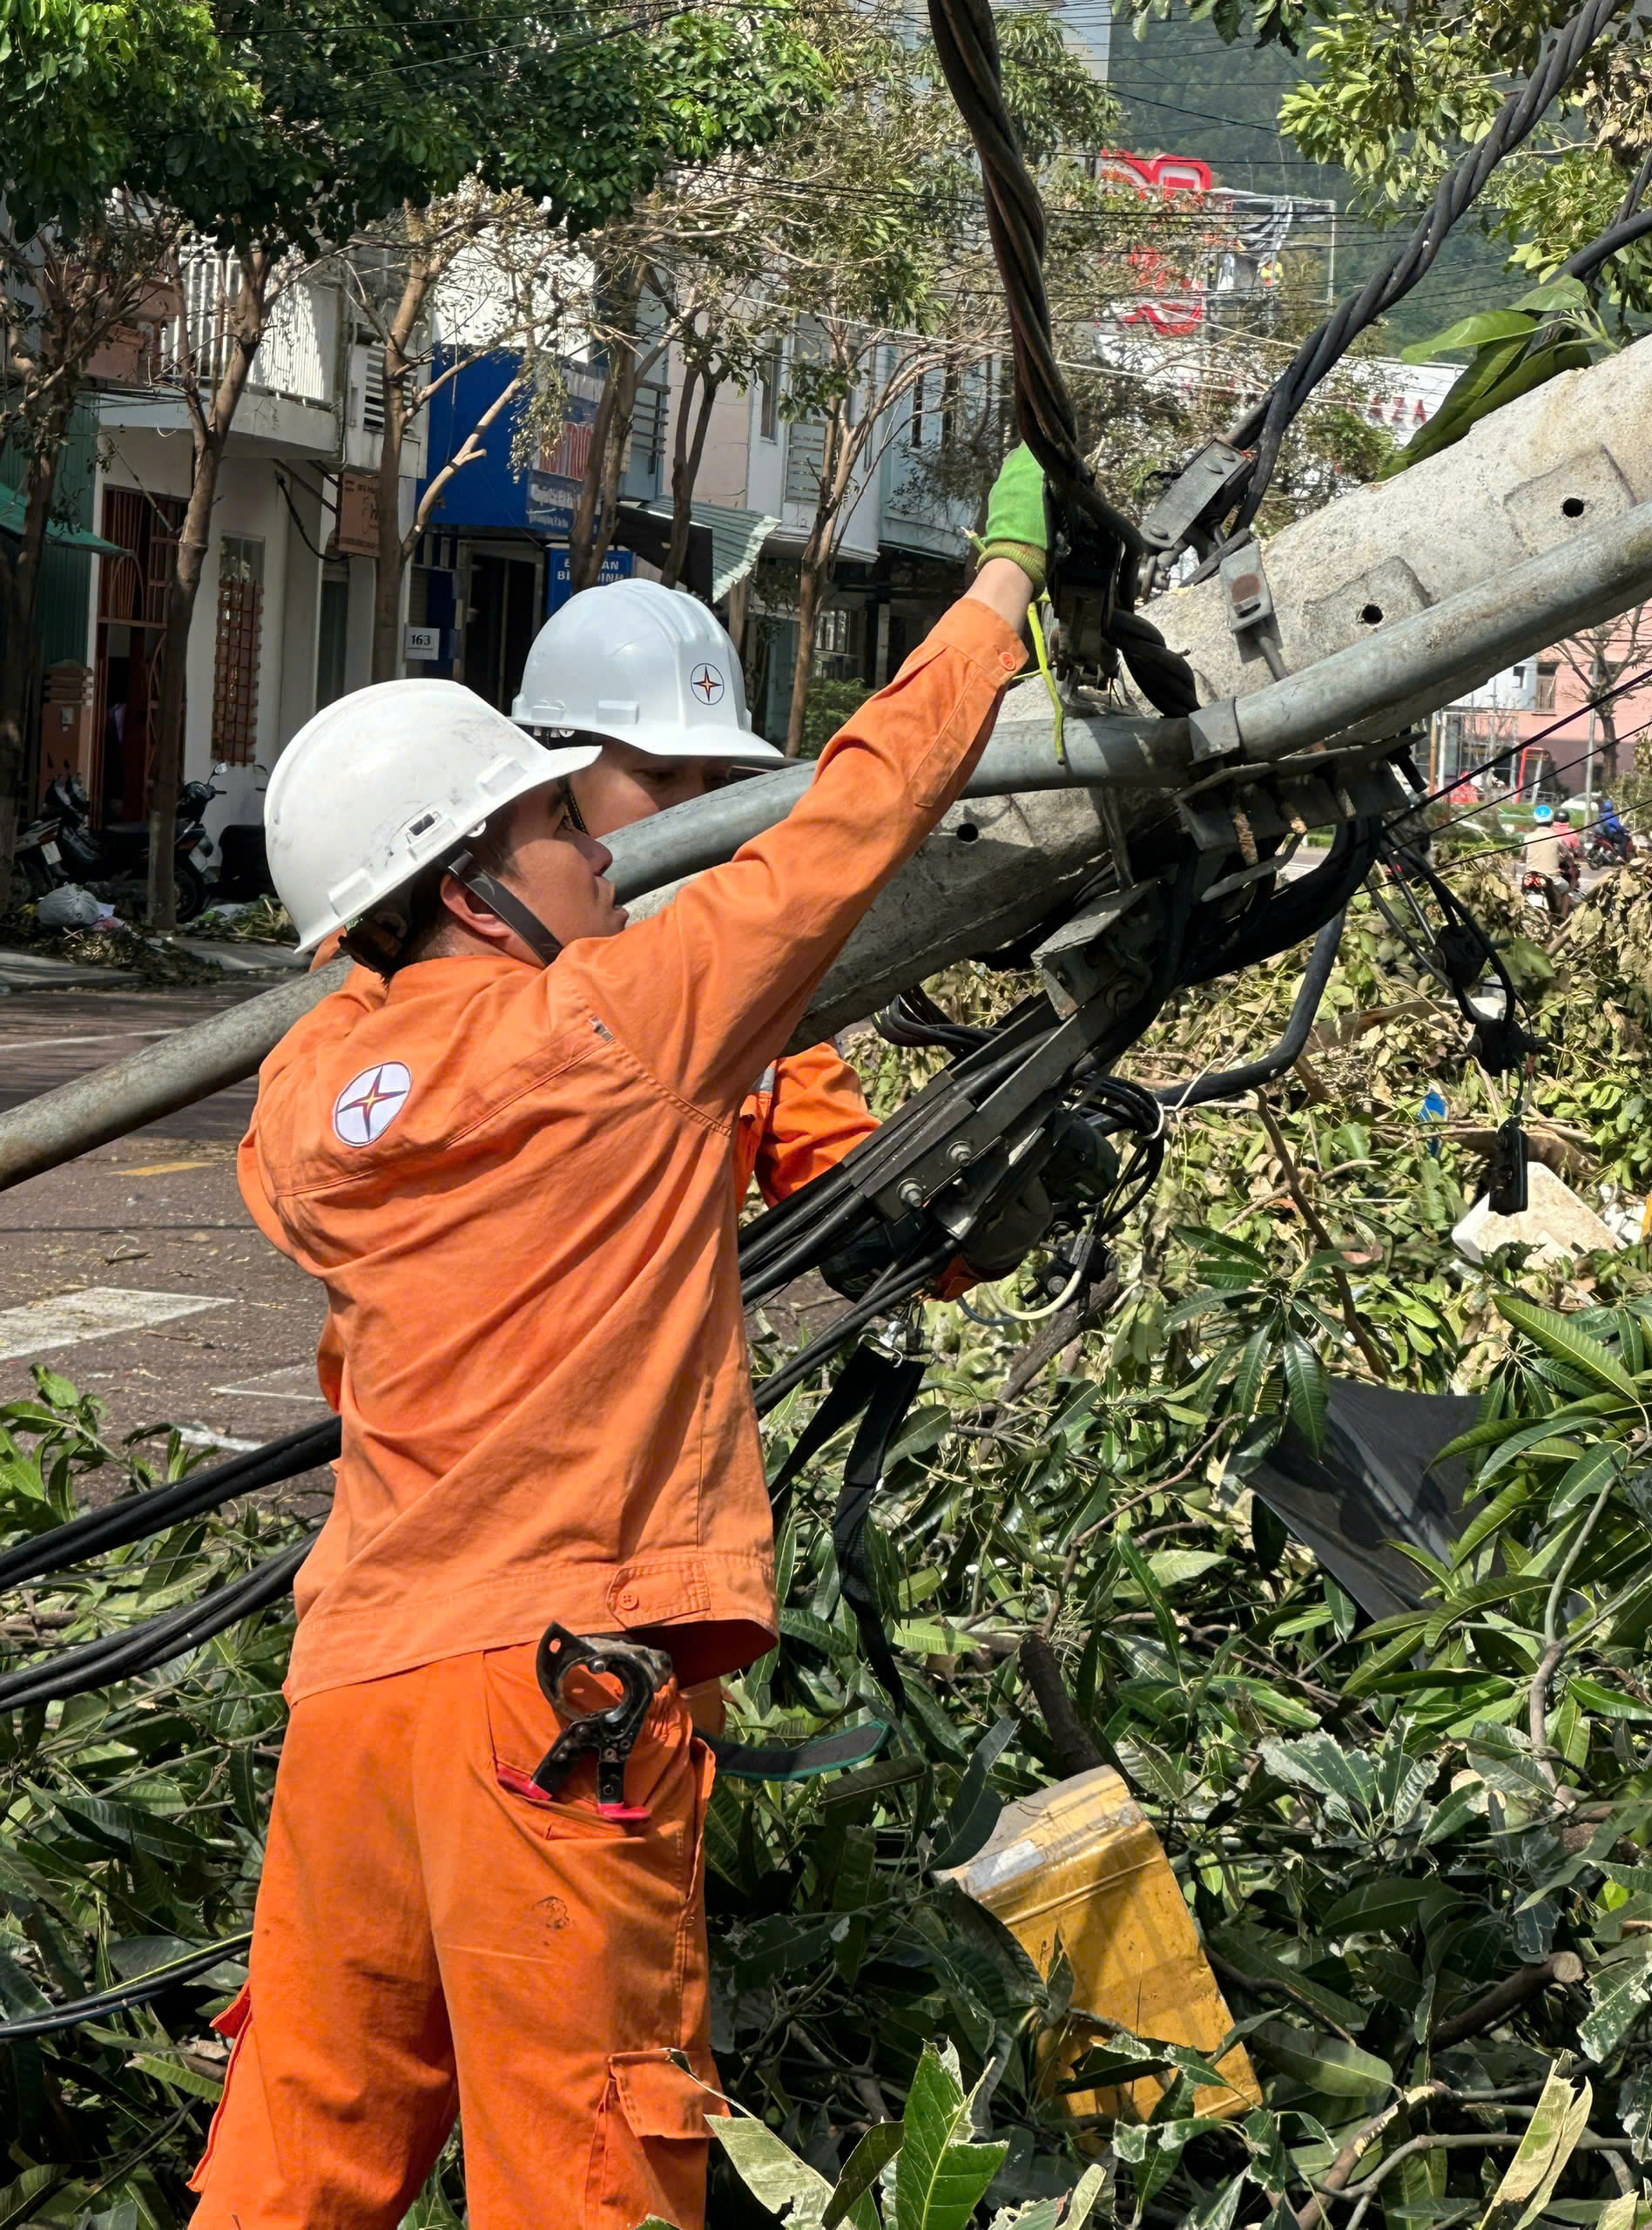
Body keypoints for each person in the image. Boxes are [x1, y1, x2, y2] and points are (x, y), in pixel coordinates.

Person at [186, 450, 1049, 2230]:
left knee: (300, 2142)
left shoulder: (294, 1109)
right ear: (479, 876)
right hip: (548, 1690)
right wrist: (996, 602)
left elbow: (382, 1021)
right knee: (592, 2156)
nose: (611, 853)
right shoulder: (631, 1024)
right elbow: (851, 824)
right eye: (570, 826)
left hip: (354, 1691)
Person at [512, 580, 880, 1213]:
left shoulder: (740, 959)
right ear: (555, 778)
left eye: (716, 779)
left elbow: (830, 1168)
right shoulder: (452, 944)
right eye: (659, 775)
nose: (700, 808)